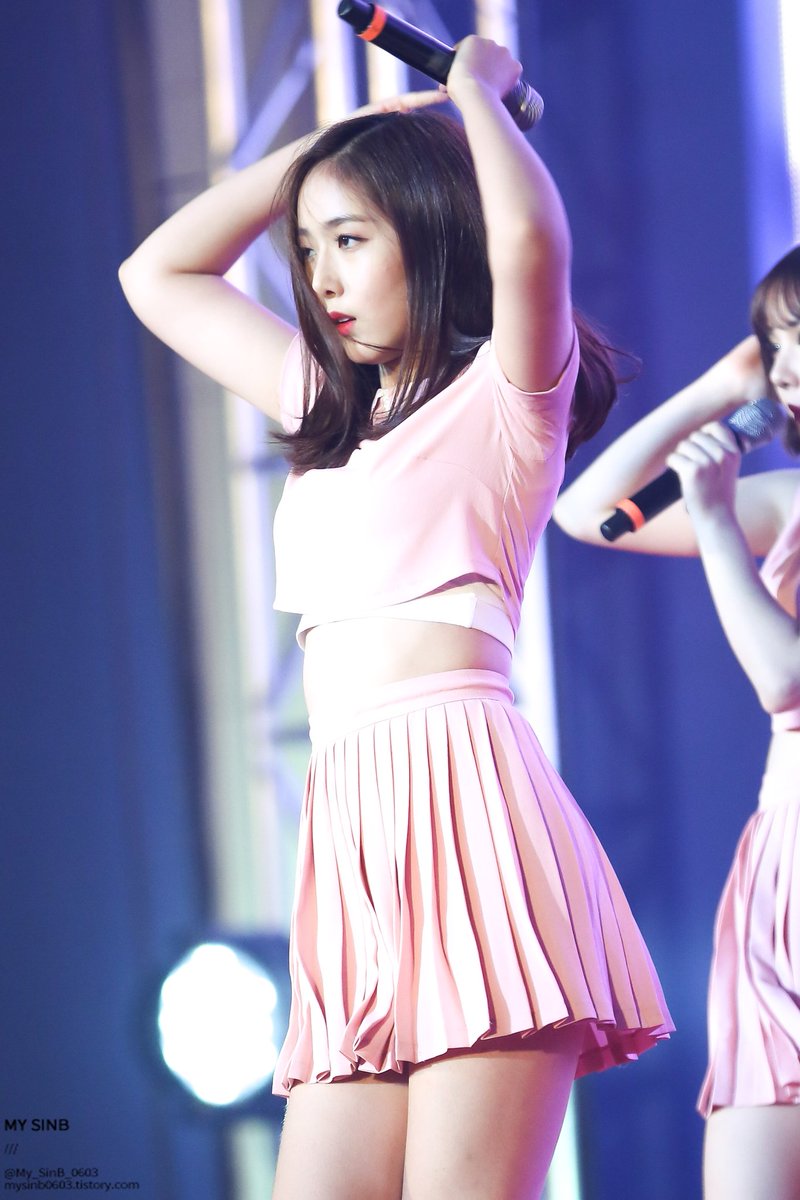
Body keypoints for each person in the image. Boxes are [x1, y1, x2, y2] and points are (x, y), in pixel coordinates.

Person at [120, 37, 672, 1200]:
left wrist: (471, 101)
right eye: (306, 247)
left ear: (428, 235)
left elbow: (529, 246)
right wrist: (337, 147)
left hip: (467, 817)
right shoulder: (324, 409)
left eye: (351, 239)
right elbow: (157, 274)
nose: (319, 276)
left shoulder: (508, 401)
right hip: (351, 839)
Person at [553, 244, 800, 1200]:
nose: (785, 364)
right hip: (779, 877)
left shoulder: (756, 516)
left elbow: (785, 678)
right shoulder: (789, 508)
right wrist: (715, 392)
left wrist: (718, 522)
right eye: (774, 342)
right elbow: (589, 513)